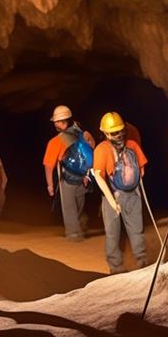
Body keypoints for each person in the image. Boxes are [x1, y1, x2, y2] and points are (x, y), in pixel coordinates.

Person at [91, 111, 148, 274]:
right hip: (133, 194)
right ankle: (142, 261)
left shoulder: (102, 149)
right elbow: (141, 172)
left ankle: (116, 268)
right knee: (137, 230)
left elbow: (98, 176)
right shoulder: (133, 145)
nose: (118, 134)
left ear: (105, 133)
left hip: (113, 194)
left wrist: (111, 201)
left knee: (112, 234)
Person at [44, 105, 95, 241]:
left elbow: (49, 166)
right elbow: (92, 153)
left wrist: (50, 185)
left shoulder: (56, 141)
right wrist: (87, 175)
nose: (55, 124)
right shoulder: (84, 134)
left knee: (69, 207)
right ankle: (82, 224)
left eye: (56, 121)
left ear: (63, 122)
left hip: (68, 179)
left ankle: (73, 234)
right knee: (79, 205)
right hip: (84, 178)